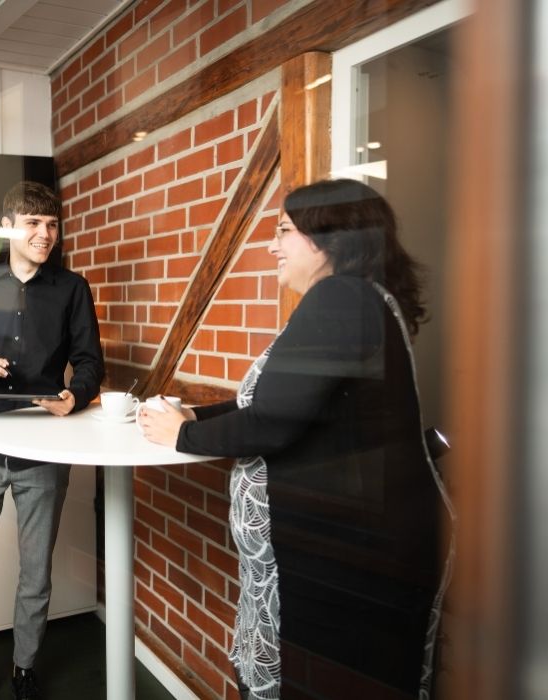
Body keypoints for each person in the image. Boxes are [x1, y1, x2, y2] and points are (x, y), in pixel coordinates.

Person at [139, 179, 454, 700]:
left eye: (284, 230)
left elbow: (273, 422)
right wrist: (195, 412)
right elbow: (282, 403)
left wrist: (184, 435)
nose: (271, 245)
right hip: (353, 545)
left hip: (354, 559)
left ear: (331, 238)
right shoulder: (357, 298)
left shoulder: (340, 298)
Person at [0, 181, 105, 700]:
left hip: (43, 445)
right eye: (34, 223)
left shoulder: (72, 288)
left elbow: (90, 362)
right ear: (10, 226)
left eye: (52, 224)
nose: (45, 234)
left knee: (36, 567)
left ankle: (26, 667)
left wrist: (74, 397)